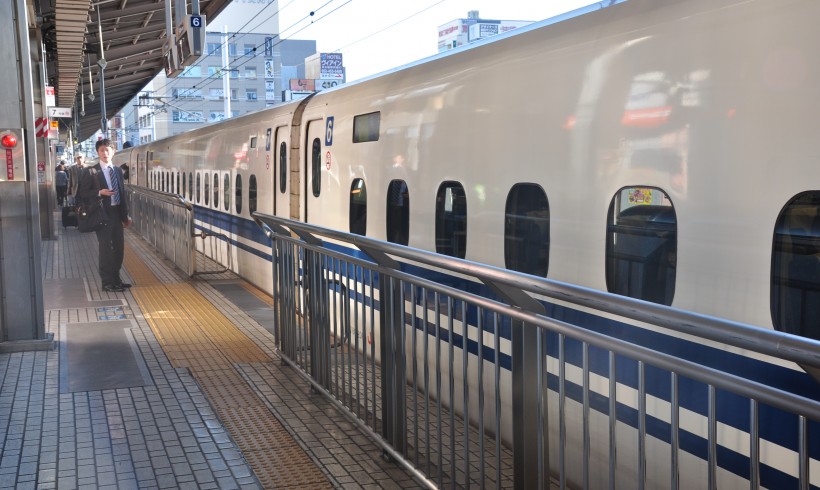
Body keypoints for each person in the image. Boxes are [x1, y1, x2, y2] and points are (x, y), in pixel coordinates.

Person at [77, 139, 133, 293]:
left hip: (116, 213)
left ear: (113, 152)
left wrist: (125, 216)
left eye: (108, 150)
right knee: (106, 249)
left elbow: (122, 195)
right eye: (102, 150)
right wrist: (98, 193)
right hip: (102, 214)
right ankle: (107, 282)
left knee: (119, 249)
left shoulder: (117, 171)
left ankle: (116, 279)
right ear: (97, 152)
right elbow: (82, 193)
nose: (105, 153)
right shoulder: (91, 171)